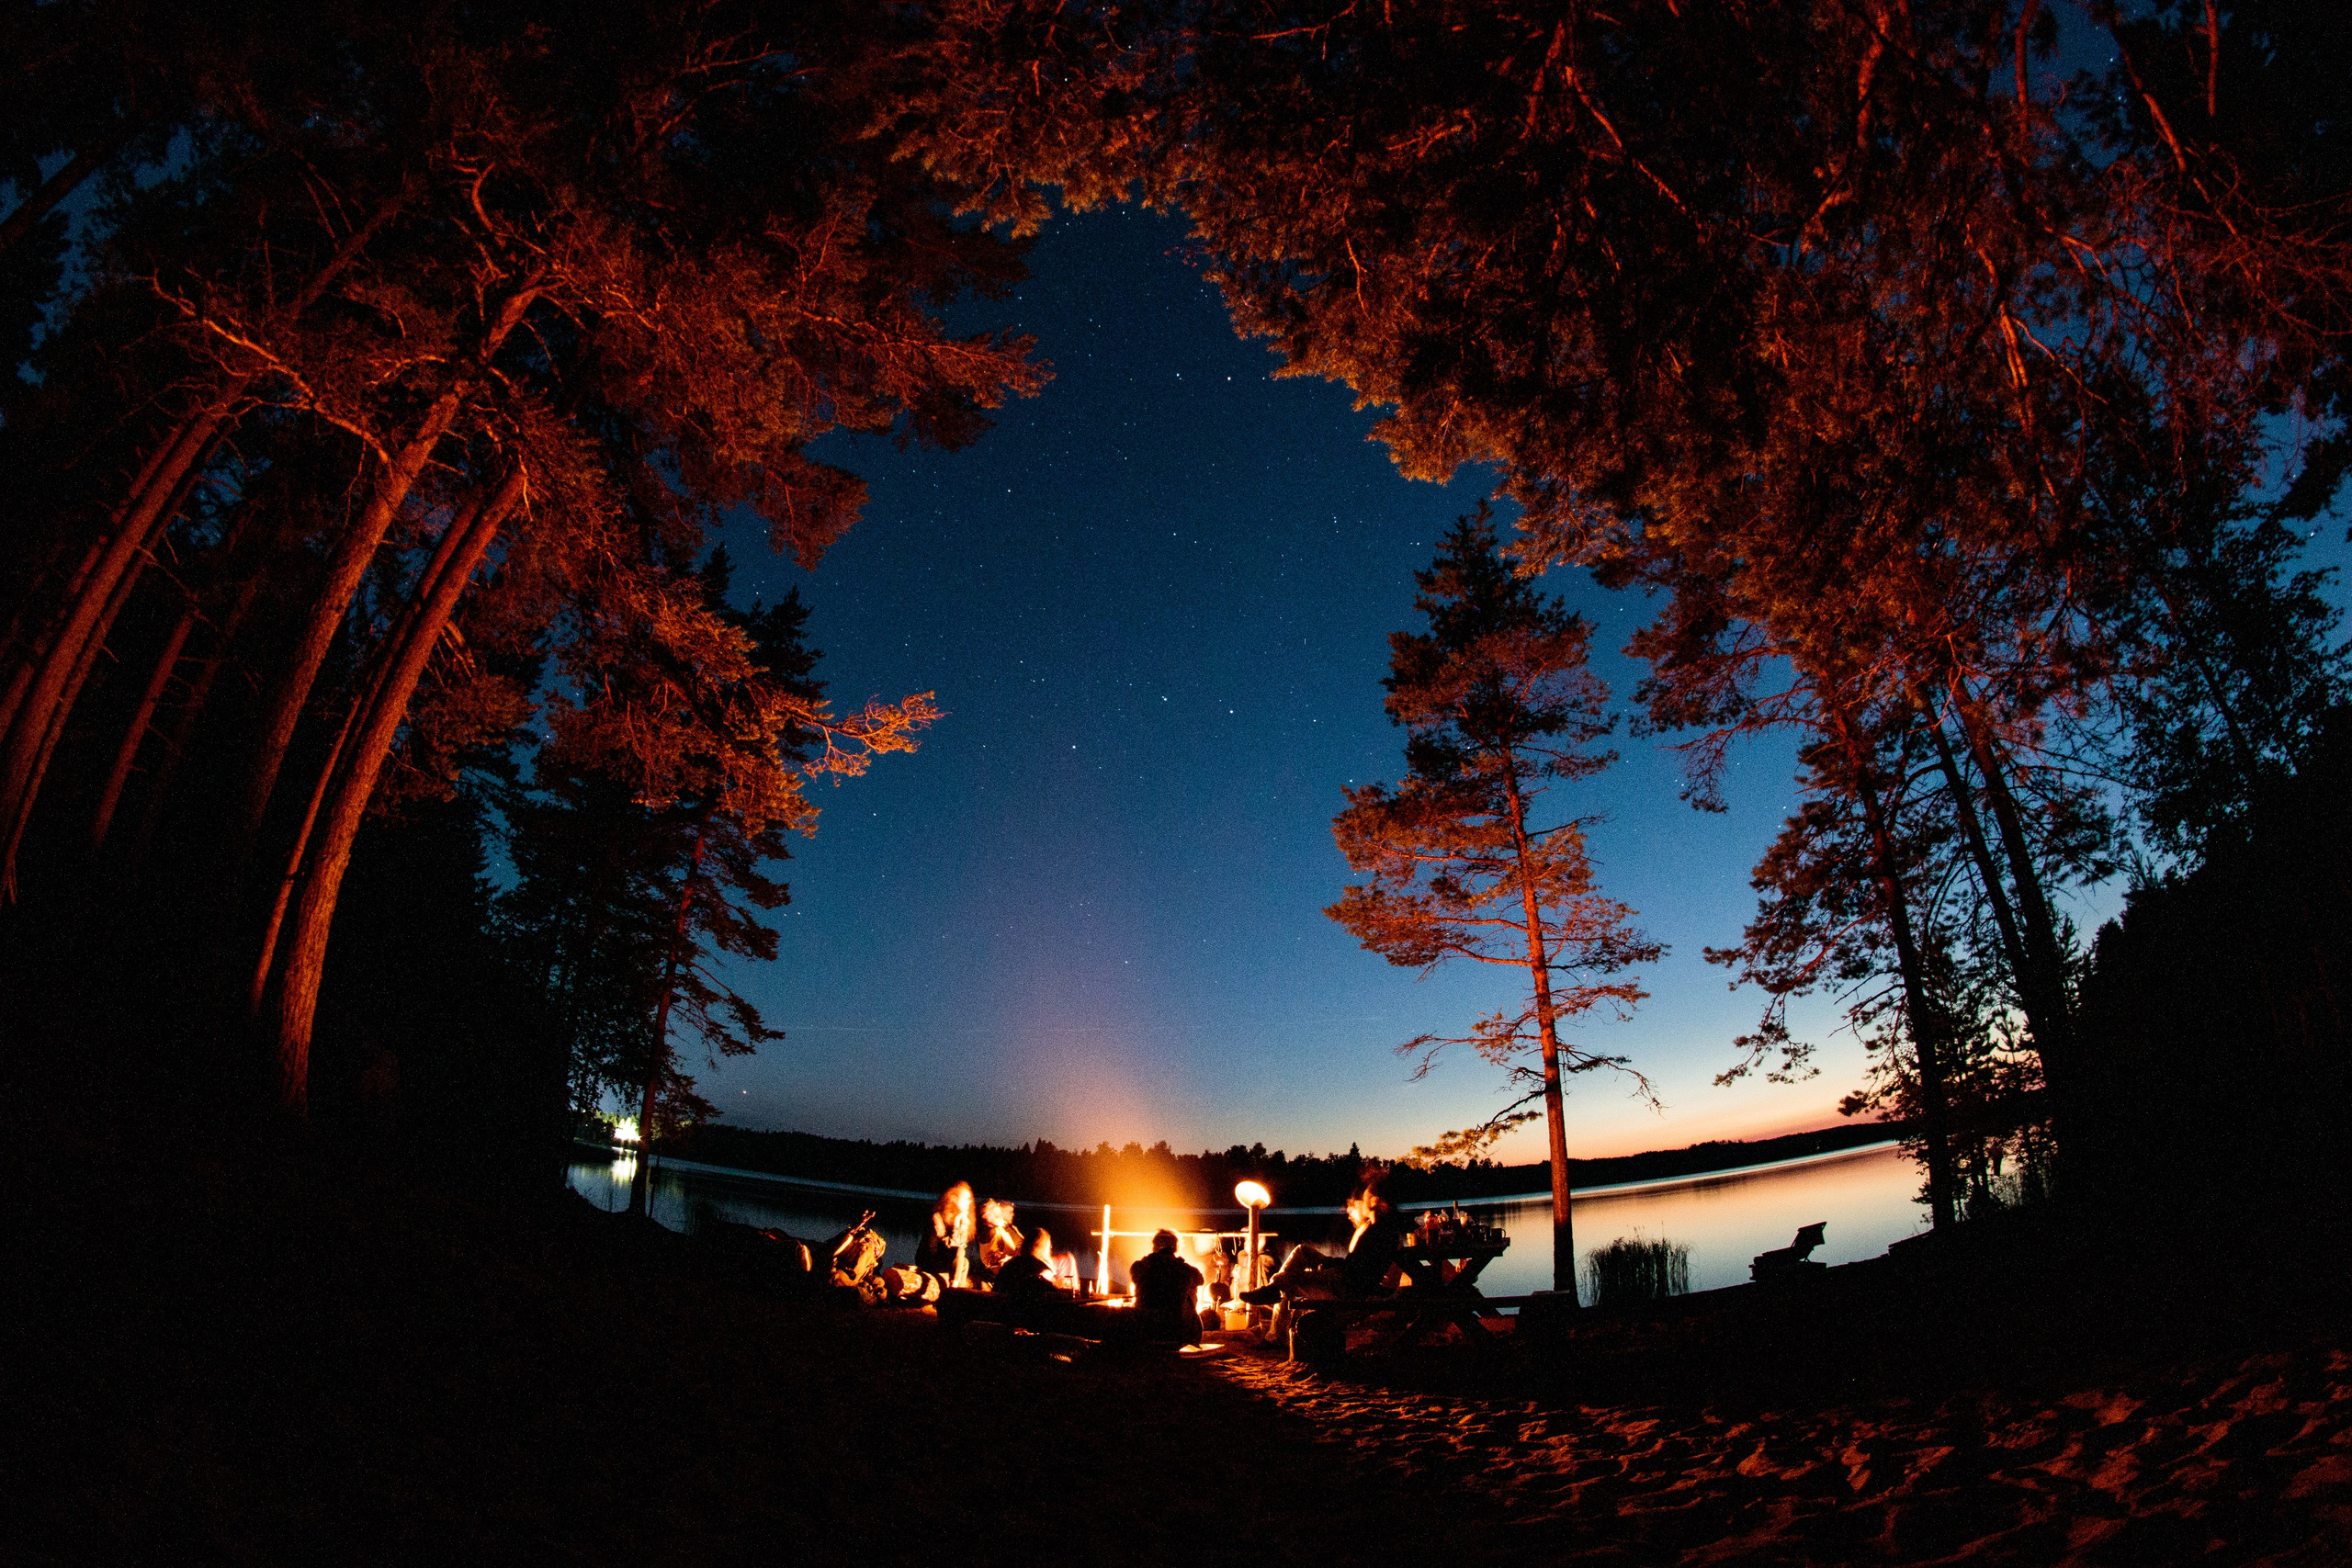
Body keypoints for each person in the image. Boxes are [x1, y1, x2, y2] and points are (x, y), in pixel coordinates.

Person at [1241, 1175, 1406, 1309]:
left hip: (1346, 1288)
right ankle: (1273, 1290)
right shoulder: (1377, 1228)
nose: (1363, 1198)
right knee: (1302, 1251)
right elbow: (1357, 1266)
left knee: (1287, 1280)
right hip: (1347, 1278)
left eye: (1366, 1195)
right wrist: (1330, 1264)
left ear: (1374, 1201)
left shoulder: (1379, 1233)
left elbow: (1357, 1275)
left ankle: (1274, 1291)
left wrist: (1327, 1269)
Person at [1127, 1227, 1205, 1345]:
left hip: (1144, 1328)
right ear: (1175, 1248)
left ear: (1154, 1247)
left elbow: (1135, 1277)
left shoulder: (1139, 1267)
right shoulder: (1186, 1270)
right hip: (1177, 1330)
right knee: (1190, 1291)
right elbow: (1200, 1280)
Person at [917, 1181, 975, 1291]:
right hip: (929, 1259)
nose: (969, 1202)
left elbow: (961, 1245)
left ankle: (959, 1293)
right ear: (954, 1199)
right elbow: (949, 1245)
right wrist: (957, 1223)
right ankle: (953, 1291)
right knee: (960, 1253)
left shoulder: (963, 1219)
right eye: (965, 1199)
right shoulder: (937, 1217)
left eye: (970, 1199)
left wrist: (963, 1225)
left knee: (965, 1262)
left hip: (946, 1259)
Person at [990, 1226, 1065, 1303]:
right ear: (1044, 1248)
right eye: (1049, 1248)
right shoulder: (1042, 1270)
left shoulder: (1008, 1266)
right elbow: (1054, 1294)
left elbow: (994, 1293)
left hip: (1002, 1311)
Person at [973, 1197, 1023, 1281]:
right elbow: (989, 1260)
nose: (998, 1209)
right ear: (986, 1215)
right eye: (994, 1208)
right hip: (1003, 1276)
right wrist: (1007, 1259)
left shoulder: (1000, 1229)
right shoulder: (991, 1232)